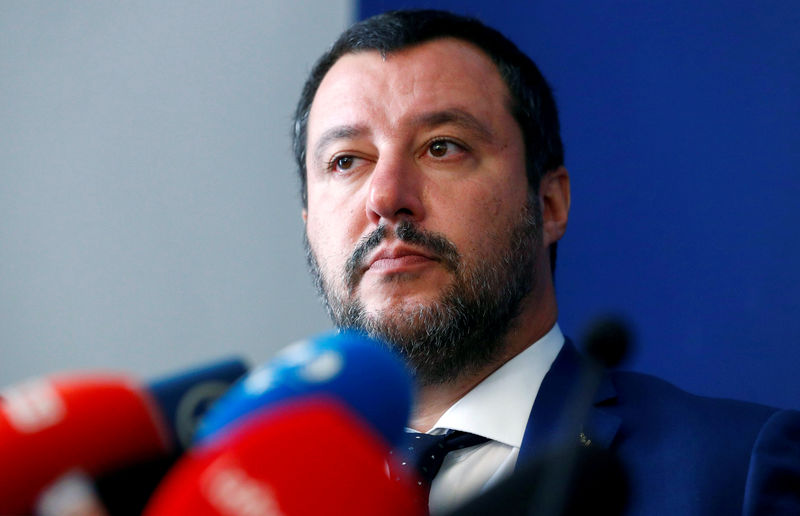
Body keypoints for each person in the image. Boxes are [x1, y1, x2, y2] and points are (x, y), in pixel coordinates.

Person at [293, 9, 800, 515]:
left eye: (441, 148)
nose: (385, 197)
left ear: (550, 204)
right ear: (308, 222)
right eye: (346, 161)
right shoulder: (255, 492)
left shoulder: (741, 471)